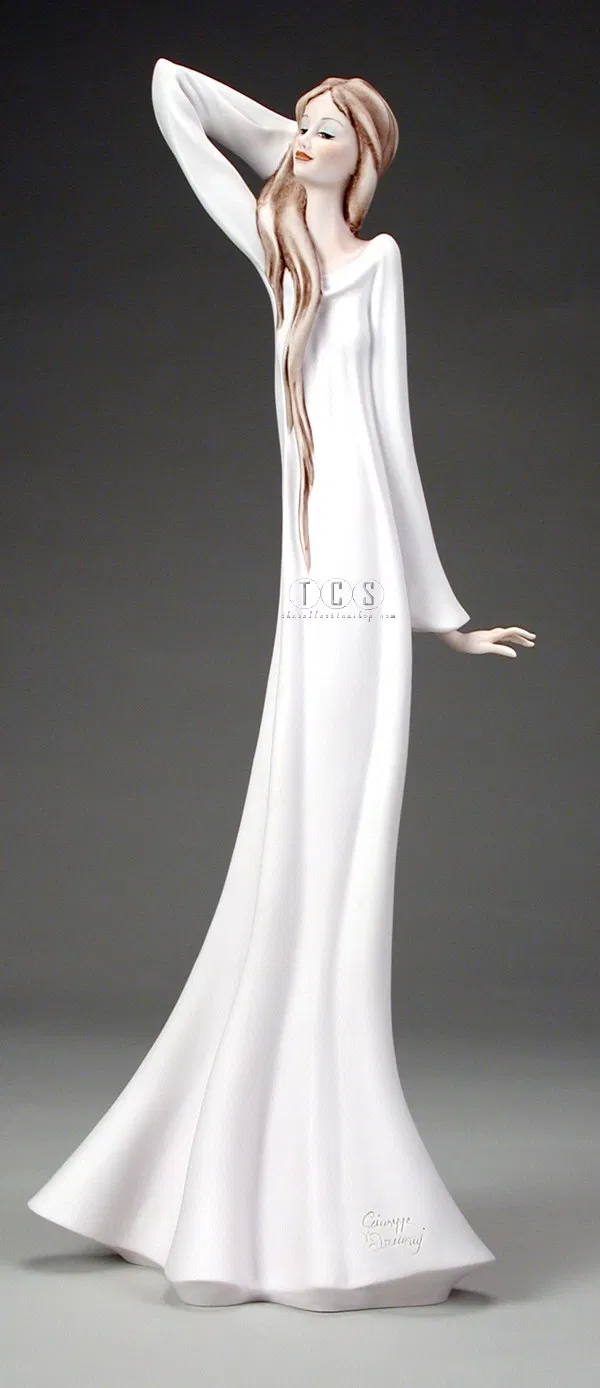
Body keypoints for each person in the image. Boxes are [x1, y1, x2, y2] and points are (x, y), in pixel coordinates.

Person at [26, 56, 535, 1312]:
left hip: (368, 589)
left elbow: (394, 441)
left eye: (329, 133)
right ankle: (243, 1184)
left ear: (369, 158)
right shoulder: (276, 250)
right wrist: (291, 143)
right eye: (300, 127)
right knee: (291, 841)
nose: (304, 143)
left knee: (345, 853)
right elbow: (170, 94)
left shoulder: (378, 262)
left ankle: (312, 1182)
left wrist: (443, 615)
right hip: (310, 593)